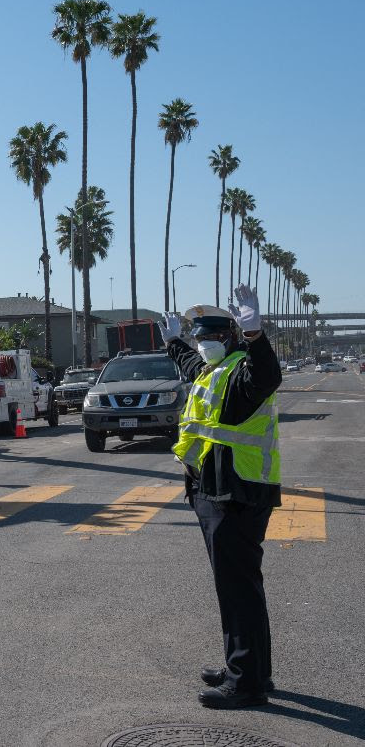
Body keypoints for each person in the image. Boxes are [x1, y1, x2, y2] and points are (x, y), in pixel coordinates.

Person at [158, 284, 282, 709]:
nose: (203, 344)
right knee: (238, 587)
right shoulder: (212, 371)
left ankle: (246, 684)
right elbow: (191, 363)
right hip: (215, 493)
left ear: (230, 338)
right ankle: (247, 669)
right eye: (199, 337)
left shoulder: (245, 371)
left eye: (211, 336)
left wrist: (256, 335)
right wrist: (174, 342)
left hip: (238, 494)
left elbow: (268, 374)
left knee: (238, 590)